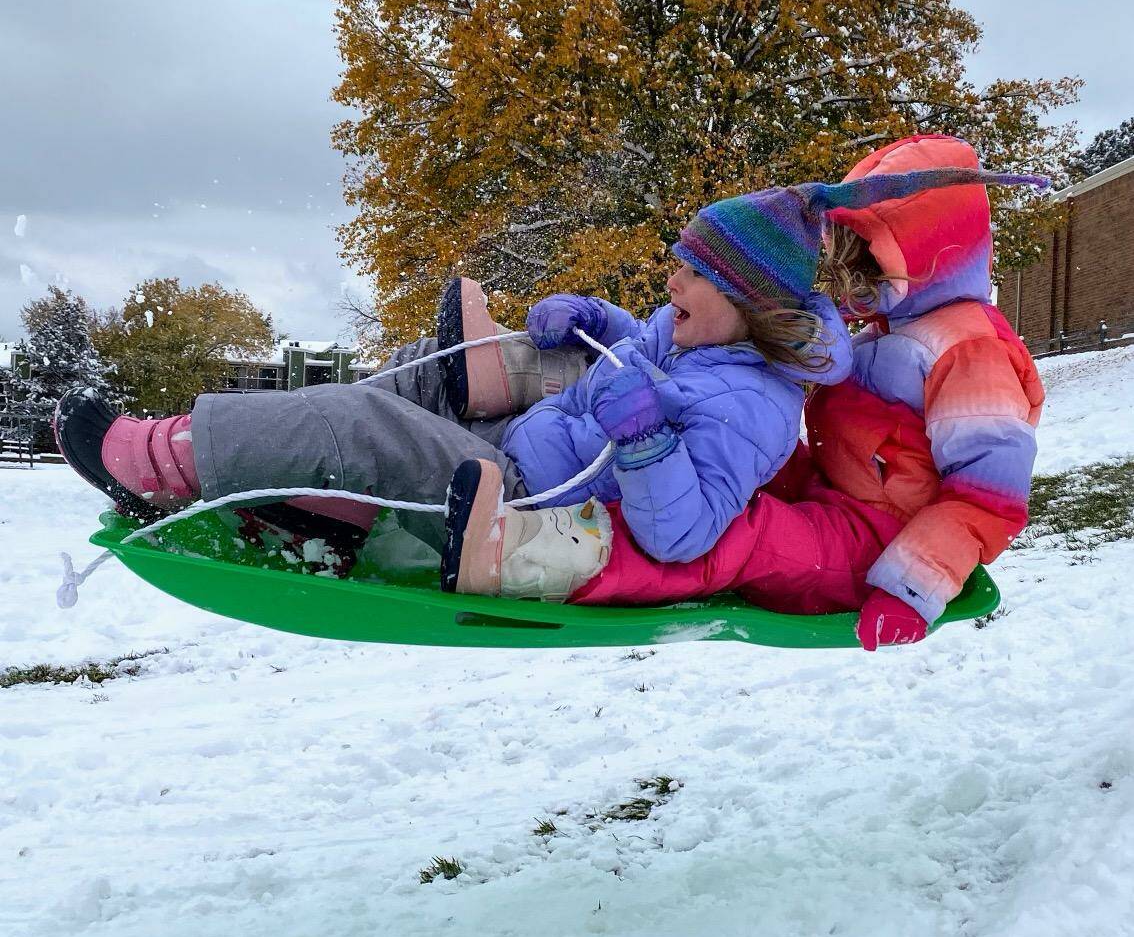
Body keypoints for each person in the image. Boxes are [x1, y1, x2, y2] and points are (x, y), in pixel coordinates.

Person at [441, 135, 1047, 649]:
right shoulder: (886, 327)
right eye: (846, 259)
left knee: (739, 534)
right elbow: (715, 358)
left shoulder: (968, 350)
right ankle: (514, 376)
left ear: (931, 255)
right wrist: (603, 328)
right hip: (823, 486)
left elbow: (987, 497)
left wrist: (914, 586)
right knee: (712, 438)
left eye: (872, 264)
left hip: (877, 537)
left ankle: (543, 557)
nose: (851, 283)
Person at [54, 182, 851, 569]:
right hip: (525, 442)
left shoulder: (756, 407)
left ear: (746, 300)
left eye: (691, 274)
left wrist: (643, 440)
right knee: (409, 380)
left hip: (525, 500)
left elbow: (682, 534)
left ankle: (165, 461)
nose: (670, 283)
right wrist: (597, 323)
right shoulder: (698, 341)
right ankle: (320, 498)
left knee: (374, 430)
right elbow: (635, 348)